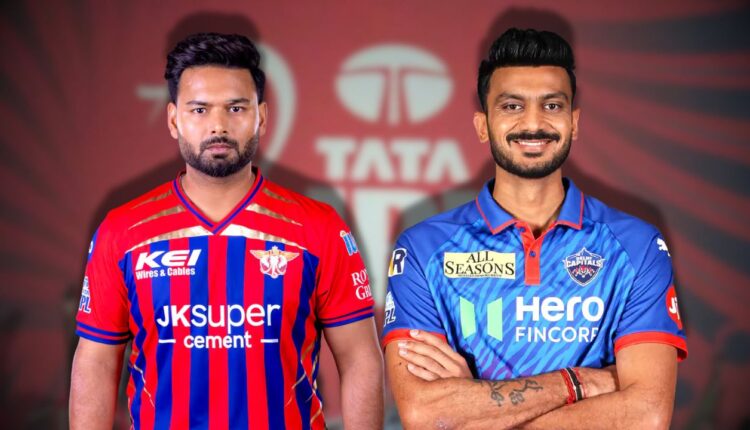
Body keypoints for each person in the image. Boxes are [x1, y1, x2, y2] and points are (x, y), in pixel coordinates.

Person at [69, 32, 383, 429]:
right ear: (173, 120)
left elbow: (359, 358)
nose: (218, 125)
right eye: (199, 110)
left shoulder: (318, 228)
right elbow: (96, 362)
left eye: (236, 108)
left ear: (261, 117)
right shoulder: (123, 231)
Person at [381, 28, 687, 429]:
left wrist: (476, 406)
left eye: (552, 105)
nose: (533, 123)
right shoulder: (423, 249)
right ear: (482, 125)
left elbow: (646, 416)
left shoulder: (637, 245)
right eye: (511, 106)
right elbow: (425, 415)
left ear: (574, 122)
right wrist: (579, 383)